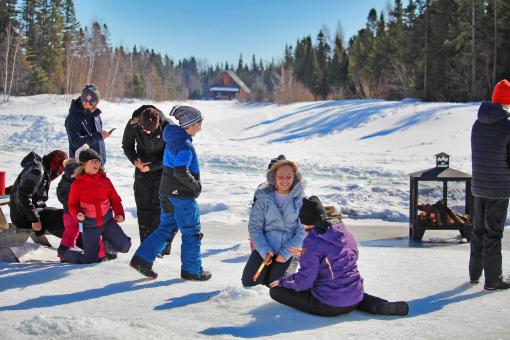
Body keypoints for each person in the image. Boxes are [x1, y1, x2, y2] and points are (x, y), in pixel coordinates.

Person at [269, 196, 409, 317]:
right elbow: (338, 259)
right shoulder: (344, 232)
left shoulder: (312, 241)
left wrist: (283, 282)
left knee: (275, 291)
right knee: (347, 289)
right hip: (355, 295)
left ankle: (342, 302)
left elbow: (305, 281)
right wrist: (306, 255)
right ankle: (378, 305)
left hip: (328, 305)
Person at [130, 105, 211, 281]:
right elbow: (180, 171)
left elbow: (170, 167)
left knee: (166, 227)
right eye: (198, 123)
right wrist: (195, 187)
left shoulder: (173, 139)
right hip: (181, 197)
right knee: (192, 231)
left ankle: (142, 260)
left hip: (166, 193)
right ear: (190, 124)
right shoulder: (184, 145)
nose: (200, 127)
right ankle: (192, 270)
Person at [470, 79, 510, 290]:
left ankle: (474, 274)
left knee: (478, 231)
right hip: (499, 188)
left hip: (479, 186)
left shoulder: (478, 123)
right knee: (494, 233)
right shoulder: (507, 126)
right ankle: (493, 279)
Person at [241, 159, 305, 287]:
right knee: (249, 282)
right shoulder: (264, 198)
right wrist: (265, 250)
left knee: (275, 285)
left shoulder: (301, 200)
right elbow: (255, 227)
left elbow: (302, 231)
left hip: (288, 249)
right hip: (266, 246)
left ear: (295, 177)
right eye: (280, 177)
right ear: (273, 177)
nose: (285, 180)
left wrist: (286, 252)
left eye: (289, 176)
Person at [61, 147, 131, 263]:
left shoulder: (105, 181)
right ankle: (67, 254)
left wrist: (119, 213)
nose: (96, 163)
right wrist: (77, 214)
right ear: (84, 165)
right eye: (93, 161)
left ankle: (107, 244)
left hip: (108, 222)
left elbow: (115, 200)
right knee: (91, 259)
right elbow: (72, 205)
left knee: (125, 246)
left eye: (98, 161)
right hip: (90, 226)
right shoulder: (77, 185)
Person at [122, 105, 174, 254]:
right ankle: (146, 247)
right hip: (141, 170)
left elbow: (171, 154)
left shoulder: (168, 127)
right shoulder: (133, 124)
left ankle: (160, 247)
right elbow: (127, 146)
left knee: (160, 209)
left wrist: (152, 167)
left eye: (151, 130)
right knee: (144, 209)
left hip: (162, 170)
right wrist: (135, 160)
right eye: (144, 129)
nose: (147, 132)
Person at [8, 150, 76, 242]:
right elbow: (22, 195)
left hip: (31, 212)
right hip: (23, 217)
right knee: (61, 221)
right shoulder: (37, 170)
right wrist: (34, 219)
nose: (59, 173)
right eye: (61, 169)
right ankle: (90, 248)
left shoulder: (43, 169)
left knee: (64, 216)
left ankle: (89, 244)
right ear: (55, 163)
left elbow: (23, 187)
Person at [56, 145, 105, 260]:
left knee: (70, 232)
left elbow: (59, 193)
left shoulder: (65, 176)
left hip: (68, 212)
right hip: (84, 211)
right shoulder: (84, 175)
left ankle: (64, 254)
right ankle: (100, 254)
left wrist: (67, 204)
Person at [65, 84, 111, 165]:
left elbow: (96, 139)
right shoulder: (73, 118)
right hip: (82, 167)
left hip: (97, 165)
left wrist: (101, 135)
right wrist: (99, 136)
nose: (95, 106)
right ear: (85, 102)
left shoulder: (95, 114)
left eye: (97, 102)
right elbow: (76, 142)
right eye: (93, 103)